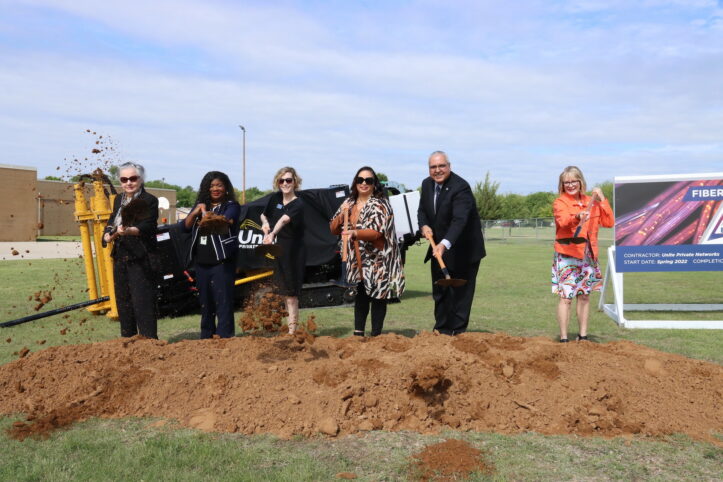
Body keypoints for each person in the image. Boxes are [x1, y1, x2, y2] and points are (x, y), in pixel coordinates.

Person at [330, 166, 405, 337]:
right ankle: (358, 334)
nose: (364, 183)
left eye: (368, 180)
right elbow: (333, 228)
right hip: (357, 261)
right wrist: (341, 216)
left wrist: (355, 233)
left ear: (374, 184)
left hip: (378, 259)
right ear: (355, 182)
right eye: (360, 180)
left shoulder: (381, 204)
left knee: (379, 296)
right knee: (361, 295)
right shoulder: (348, 203)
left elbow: (376, 231)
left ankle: (376, 336)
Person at [417, 151, 486, 335]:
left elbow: (459, 220)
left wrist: (444, 244)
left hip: (464, 250)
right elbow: (422, 210)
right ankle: (441, 330)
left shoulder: (460, 187)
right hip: (438, 250)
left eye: (441, 166)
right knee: (440, 292)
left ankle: (457, 333)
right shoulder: (427, 184)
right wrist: (424, 226)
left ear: (449, 166)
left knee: (461, 295)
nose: (437, 170)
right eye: (433, 167)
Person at [552, 165, 614, 342]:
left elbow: (609, 222)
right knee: (566, 297)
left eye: (574, 181)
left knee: (585, 296)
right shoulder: (560, 202)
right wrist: (577, 217)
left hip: (588, 255)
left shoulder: (591, 201)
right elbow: (563, 222)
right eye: (566, 182)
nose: (570, 185)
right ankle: (564, 338)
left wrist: (602, 199)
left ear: (581, 182)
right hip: (568, 254)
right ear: (562, 185)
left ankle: (583, 336)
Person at [103, 162, 159, 339]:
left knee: (142, 301)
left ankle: (149, 342)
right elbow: (112, 221)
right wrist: (107, 235)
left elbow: (148, 226)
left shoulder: (149, 200)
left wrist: (128, 231)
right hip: (121, 255)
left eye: (133, 179)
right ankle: (128, 341)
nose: (129, 183)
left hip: (141, 257)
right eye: (124, 179)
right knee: (123, 301)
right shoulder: (119, 199)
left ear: (141, 180)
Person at [183, 171, 241, 339]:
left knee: (223, 303)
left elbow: (225, 221)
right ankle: (206, 339)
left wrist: (206, 215)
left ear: (226, 188)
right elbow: (185, 227)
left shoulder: (231, 205)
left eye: (219, 185)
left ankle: (224, 339)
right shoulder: (201, 206)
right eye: (212, 186)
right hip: (201, 263)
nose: (215, 189)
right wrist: (196, 212)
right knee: (206, 305)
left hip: (222, 263)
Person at [261, 167, 306, 334]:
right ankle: (287, 328)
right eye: (282, 181)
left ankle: (292, 333)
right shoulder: (275, 198)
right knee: (281, 292)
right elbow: (264, 215)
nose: (285, 183)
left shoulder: (298, 203)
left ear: (295, 182)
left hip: (294, 253)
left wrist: (272, 233)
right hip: (279, 251)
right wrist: (265, 224)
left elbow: (283, 220)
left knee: (291, 294)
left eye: (289, 180)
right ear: (277, 183)